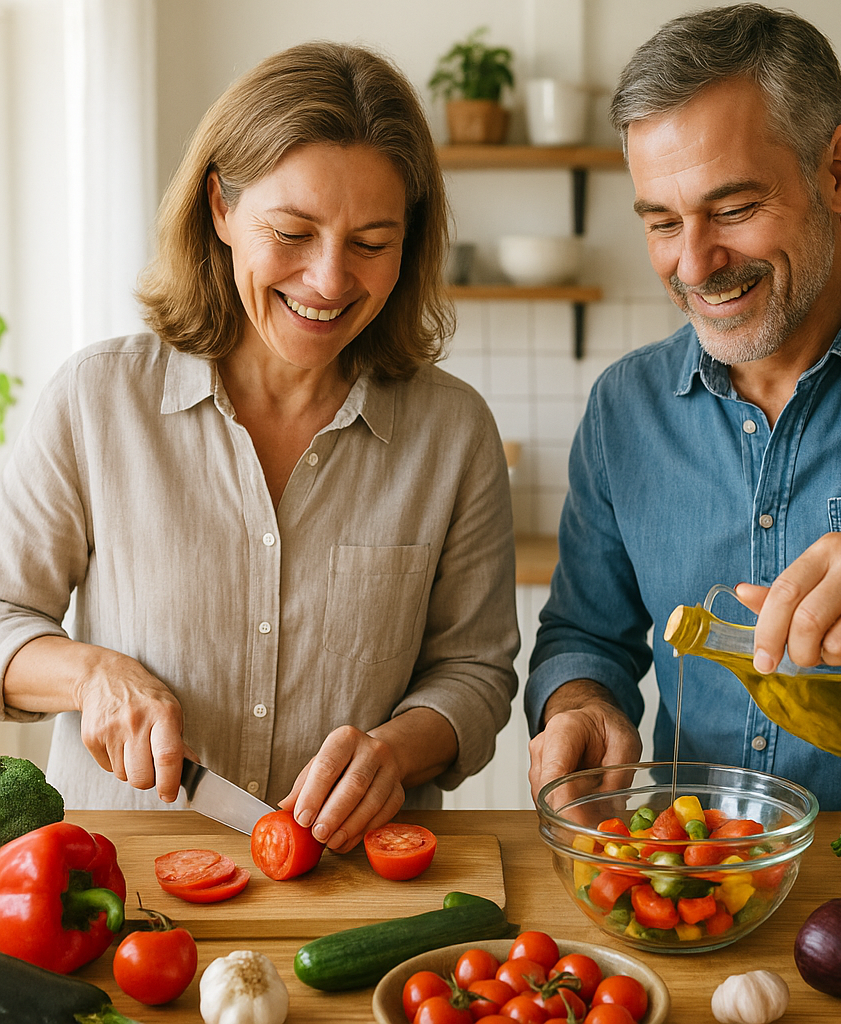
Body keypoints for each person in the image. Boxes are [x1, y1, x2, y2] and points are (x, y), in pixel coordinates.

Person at [0, 41, 519, 852]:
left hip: (354, 884)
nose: (329, 280)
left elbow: (476, 674)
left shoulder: (454, 434)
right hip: (125, 877)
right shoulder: (95, 400)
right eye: (292, 231)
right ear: (220, 208)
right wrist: (93, 675)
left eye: (371, 242)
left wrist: (396, 751)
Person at [525, 3, 841, 811]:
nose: (695, 264)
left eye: (733, 210)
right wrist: (581, 705)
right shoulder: (625, 408)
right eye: (662, 221)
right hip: (697, 870)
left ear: (838, 171)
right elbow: (585, 635)